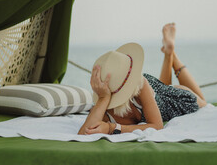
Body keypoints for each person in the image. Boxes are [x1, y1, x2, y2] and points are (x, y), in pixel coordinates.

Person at [78, 23, 208, 135]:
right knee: (163, 88)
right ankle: (169, 53)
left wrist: (113, 127)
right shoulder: (106, 108)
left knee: (204, 104)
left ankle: (173, 56)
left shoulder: (139, 85)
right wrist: (103, 98)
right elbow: (83, 133)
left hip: (172, 99)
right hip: (155, 96)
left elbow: (157, 126)